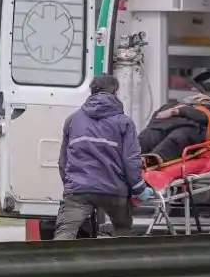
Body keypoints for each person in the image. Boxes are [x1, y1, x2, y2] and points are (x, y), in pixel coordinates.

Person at [55, 74, 153, 239]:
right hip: (114, 190)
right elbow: (130, 160)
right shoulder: (124, 122)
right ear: (115, 92)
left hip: (79, 190)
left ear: (92, 91)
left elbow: (63, 161)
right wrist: (139, 188)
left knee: (65, 233)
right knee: (123, 230)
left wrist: (71, 187)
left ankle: (57, 255)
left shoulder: (72, 120)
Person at [139, 93, 210, 162]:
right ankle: (134, 151)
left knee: (180, 135)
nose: (196, 95)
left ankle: (151, 159)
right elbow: (158, 116)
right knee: (150, 135)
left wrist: (178, 111)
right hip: (173, 123)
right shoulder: (182, 104)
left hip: (193, 129)